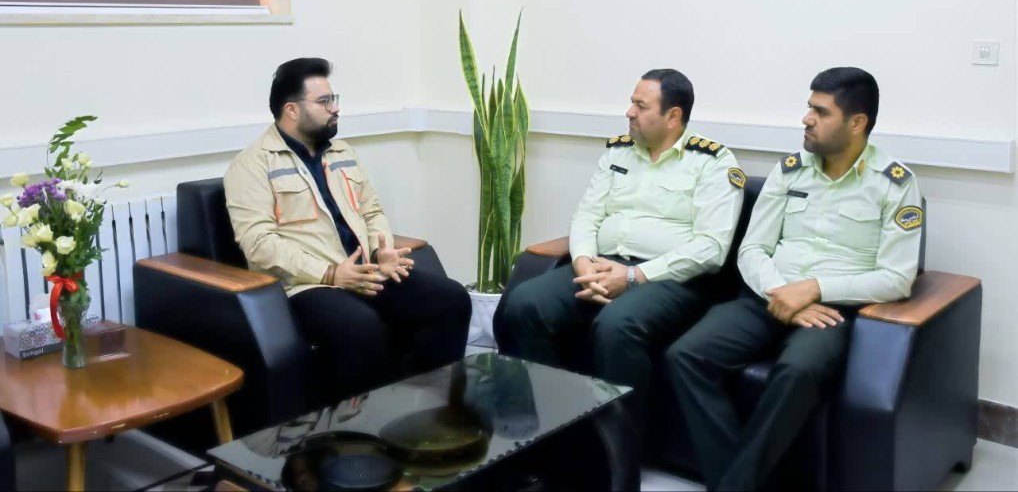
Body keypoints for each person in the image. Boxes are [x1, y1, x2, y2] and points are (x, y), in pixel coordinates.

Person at [666, 67, 924, 491]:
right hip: (766, 295)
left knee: (798, 369)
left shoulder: (895, 184)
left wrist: (814, 289)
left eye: (821, 112)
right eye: (809, 108)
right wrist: (781, 292)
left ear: (857, 123)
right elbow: (752, 249)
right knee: (686, 355)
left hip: (831, 311)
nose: (807, 119)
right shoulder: (788, 171)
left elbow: (896, 278)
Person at [495, 68, 745, 427]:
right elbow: (587, 215)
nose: (629, 112)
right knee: (524, 302)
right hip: (601, 265)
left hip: (669, 278)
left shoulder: (713, 162)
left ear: (673, 116)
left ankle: (621, 445)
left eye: (641, 106)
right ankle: (548, 425)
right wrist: (583, 262)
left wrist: (632, 276)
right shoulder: (619, 152)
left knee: (616, 325)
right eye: (632, 103)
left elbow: (711, 248)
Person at [224, 58, 471, 398]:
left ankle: (430, 407)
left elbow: (371, 210)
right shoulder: (252, 165)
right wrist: (330, 273)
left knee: (451, 299)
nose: (336, 108)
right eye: (325, 101)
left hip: (365, 271)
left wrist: (380, 250)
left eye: (334, 99)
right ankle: (362, 425)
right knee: (360, 328)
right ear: (291, 110)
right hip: (307, 285)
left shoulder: (343, 153)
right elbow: (259, 243)